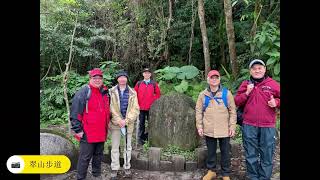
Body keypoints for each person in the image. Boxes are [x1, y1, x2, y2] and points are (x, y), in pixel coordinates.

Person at [235, 59, 280, 180]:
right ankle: (253, 177)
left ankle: (264, 178)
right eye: (254, 68)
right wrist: (247, 93)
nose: (257, 70)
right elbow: (237, 101)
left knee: (267, 154)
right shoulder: (246, 84)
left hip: (268, 125)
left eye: (259, 68)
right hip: (249, 125)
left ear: (264, 69)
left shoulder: (273, 84)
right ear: (250, 71)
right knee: (250, 154)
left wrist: (276, 102)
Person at [195, 70, 236, 180]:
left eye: (216, 77)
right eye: (211, 78)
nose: (214, 79)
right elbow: (198, 111)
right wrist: (199, 126)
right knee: (211, 151)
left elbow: (233, 111)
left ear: (219, 79)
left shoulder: (226, 93)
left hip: (224, 129)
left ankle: (226, 173)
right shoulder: (203, 95)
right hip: (209, 128)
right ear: (208, 80)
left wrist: (232, 126)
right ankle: (211, 171)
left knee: (225, 152)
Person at [70, 68, 110, 180]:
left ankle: (96, 174)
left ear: (102, 79)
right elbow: (75, 113)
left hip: (101, 131)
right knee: (85, 157)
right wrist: (78, 130)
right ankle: (81, 177)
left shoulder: (105, 92)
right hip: (88, 132)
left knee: (98, 155)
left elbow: (107, 111)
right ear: (90, 79)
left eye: (99, 78)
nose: (97, 80)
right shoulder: (83, 92)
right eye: (95, 78)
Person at [109, 70, 139, 180]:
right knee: (115, 147)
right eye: (120, 77)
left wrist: (126, 121)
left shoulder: (133, 92)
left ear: (127, 79)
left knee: (128, 147)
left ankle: (127, 167)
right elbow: (110, 108)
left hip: (128, 123)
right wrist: (118, 120)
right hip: (115, 123)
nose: (122, 79)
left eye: (124, 77)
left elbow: (135, 109)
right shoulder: (111, 92)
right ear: (117, 79)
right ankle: (114, 168)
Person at [134, 68, 161, 145]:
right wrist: (136, 104)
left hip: (151, 108)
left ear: (150, 74)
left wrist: (153, 100)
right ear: (143, 74)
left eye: (148, 73)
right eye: (145, 73)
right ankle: (141, 139)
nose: (146, 74)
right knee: (141, 123)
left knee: (151, 123)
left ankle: (150, 138)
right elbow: (134, 94)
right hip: (141, 108)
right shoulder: (139, 83)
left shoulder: (154, 84)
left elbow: (158, 94)